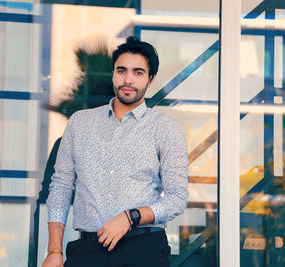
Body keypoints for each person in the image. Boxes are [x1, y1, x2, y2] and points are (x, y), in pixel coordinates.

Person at [42, 36, 188, 267]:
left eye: (138, 72)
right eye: (122, 70)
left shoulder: (166, 129)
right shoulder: (80, 123)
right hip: (87, 252)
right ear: (113, 74)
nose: (128, 79)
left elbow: (176, 199)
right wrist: (54, 250)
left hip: (144, 250)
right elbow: (60, 187)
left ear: (150, 80)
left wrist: (130, 217)